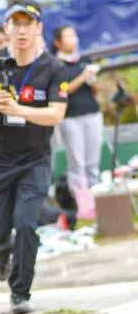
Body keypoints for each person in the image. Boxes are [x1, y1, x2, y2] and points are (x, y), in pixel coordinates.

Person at [0, 0, 68, 314]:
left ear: (38, 28)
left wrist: (18, 109)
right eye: (16, 24)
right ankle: (3, 250)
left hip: (35, 160)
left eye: (28, 24)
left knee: (26, 224)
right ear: (6, 28)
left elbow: (56, 114)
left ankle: (20, 292)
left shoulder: (53, 68)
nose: (22, 31)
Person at [51, 25, 103, 218]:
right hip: (70, 118)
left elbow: (94, 91)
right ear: (58, 42)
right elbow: (62, 90)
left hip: (92, 113)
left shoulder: (85, 60)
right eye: (69, 36)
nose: (74, 40)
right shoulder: (55, 64)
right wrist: (83, 77)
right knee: (77, 163)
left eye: (74, 35)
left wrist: (93, 81)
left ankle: (99, 203)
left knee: (93, 161)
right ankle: (83, 207)